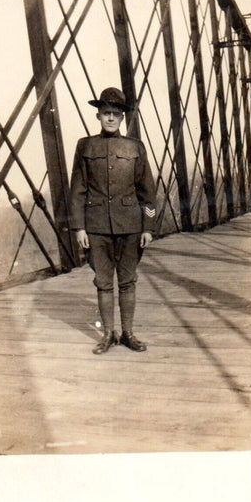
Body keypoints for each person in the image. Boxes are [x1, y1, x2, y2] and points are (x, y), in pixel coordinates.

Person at [70, 87, 157, 355]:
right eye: (106, 113)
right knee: (103, 281)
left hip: (131, 227)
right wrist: (79, 226)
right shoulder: (86, 146)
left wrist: (148, 226)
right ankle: (108, 334)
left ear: (122, 118)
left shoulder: (135, 147)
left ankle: (128, 333)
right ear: (98, 115)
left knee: (128, 281)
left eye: (115, 114)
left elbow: (148, 193)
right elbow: (77, 189)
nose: (110, 119)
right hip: (96, 228)